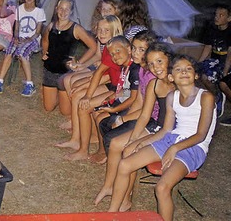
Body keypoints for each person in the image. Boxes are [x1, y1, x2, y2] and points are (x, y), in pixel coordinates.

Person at [107, 54, 216, 221]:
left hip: (194, 147)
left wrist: (174, 148)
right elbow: (165, 130)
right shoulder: (173, 97)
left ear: (195, 75)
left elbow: (201, 135)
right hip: (171, 139)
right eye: (178, 70)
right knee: (124, 164)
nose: (184, 72)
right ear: (171, 77)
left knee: (162, 187)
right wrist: (141, 141)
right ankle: (112, 214)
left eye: (188, 69)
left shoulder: (205, 97)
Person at [94, 40, 174, 207]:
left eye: (141, 49)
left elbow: (154, 118)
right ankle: (110, 187)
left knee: (124, 147)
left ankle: (125, 197)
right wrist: (129, 129)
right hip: (151, 122)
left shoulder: (171, 82)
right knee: (117, 142)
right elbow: (141, 106)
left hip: (161, 128)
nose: (136, 52)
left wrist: (126, 124)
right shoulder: (148, 76)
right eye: (135, 48)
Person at [67, 35, 140, 161]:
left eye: (118, 51)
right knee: (87, 108)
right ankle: (87, 149)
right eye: (112, 54)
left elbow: (134, 97)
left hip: (128, 106)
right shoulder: (125, 64)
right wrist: (113, 96)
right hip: (118, 95)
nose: (115, 56)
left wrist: (112, 108)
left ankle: (100, 151)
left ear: (129, 49)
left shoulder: (134, 68)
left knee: (97, 113)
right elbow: (124, 88)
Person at [56, 15, 123, 150]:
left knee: (77, 96)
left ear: (114, 32)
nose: (102, 33)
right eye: (99, 30)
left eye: (106, 30)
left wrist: (84, 87)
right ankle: (76, 136)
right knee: (75, 90)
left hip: (114, 88)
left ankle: (78, 138)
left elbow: (105, 76)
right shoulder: (107, 45)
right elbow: (100, 73)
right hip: (108, 82)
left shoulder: (114, 50)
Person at [41, 0, 97, 112]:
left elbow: (93, 47)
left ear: (71, 11)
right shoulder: (51, 26)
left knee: (65, 112)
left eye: (67, 9)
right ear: (56, 9)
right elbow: (45, 40)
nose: (63, 12)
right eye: (61, 8)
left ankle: (64, 95)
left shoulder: (76, 28)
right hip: (49, 70)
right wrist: (44, 52)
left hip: (65, 73)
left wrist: (80, 63)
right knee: (48, 108)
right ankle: (57, 96)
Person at [0, 0, 45, 95]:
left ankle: (29, 84)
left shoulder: (39, 11)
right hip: (19, 37)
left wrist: (28, 40)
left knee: (22, 53)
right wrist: (16, 37)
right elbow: (16, 28)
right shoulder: (19, 9)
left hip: (33, 39)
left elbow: (37, 32)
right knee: (9, 51)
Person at [197, 3, 231, 119]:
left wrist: (225, 72)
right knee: (202, 74)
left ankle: (220, 96)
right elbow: (208, 47)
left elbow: (229, 55)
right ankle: (217, 96)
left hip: (226, 62)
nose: (217, 17)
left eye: (221, 15)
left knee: (220, 78)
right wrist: (198, 63)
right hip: (214, 61)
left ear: (229, 18)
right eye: (216, 14)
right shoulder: (211, 29)